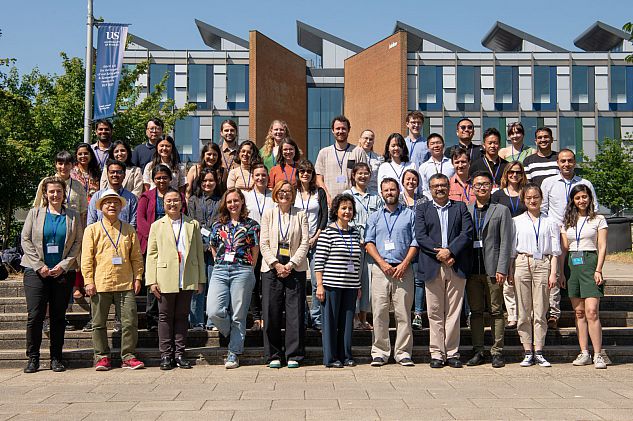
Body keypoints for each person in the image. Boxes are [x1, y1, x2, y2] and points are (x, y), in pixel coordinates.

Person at [21, 177, 83, 373]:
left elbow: (76, 244)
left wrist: (64, 266)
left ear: (64, 193)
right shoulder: (35, 213)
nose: (55, 195)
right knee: (35, 315)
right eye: (51, 192)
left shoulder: (73, 216)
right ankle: (33, 357)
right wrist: (39, 266)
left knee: (58, 316)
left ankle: (56, 357)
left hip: (62, 273)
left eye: (58, 191)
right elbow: (26, 239)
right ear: (45, 194)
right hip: (36, 271)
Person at [81, 190, 145, 371]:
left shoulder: (128, 229)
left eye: (115, 203)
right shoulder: (92, 230)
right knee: (98, 323)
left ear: (120, 207)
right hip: (100, 282)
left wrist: (138, 276)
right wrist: (88, 280)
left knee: (130, 321)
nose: (111, 206)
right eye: (107, 203)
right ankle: (101, 356)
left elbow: (136, 257)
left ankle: (128, 356)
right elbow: (86, 258)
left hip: (125, 282)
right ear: (101, 207)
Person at [415, 173, 473, 368]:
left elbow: (467, 233)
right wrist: (439, 253)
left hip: (455, 264)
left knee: (454, 312)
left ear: (449, 187)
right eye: (435, 186)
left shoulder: (460, 207)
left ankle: (453, 353)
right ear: (430, 189)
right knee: (434, 312)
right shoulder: (422, 209)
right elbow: (421, 236)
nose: (439, 189)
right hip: (433, 265)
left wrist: (450, 251)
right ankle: (437, 354)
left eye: (442, 185)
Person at [146, 187, 206, 370]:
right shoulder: (157, 225)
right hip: (165, 276)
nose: (172, 204)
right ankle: (166, 355)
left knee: (182, 316)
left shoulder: (192, 224)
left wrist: (200, 278)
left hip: (186, 275)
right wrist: (151, 280)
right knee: (164, 316)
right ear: (163, 204)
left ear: (182, 203)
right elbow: (152, 254)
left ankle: (180, 353)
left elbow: (198, 253)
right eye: (168, 201)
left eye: (176, 200)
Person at [541, 148, 599, 329]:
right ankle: (554, 313)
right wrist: (554, 227)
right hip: (556, 232)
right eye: (562, 161)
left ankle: (585, 304)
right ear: (557, 163)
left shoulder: (585, 183)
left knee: (577, 268)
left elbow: (593, 208)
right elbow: (543, 208)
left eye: (570, 161)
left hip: (579, 234)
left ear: (575, 162)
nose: (566, 164)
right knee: (555, 272)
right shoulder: (548, 183)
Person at [365, 178, 418, 366]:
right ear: (381, 193)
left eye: (393, 189)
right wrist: (382, 263)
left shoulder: (410, 215)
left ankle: (403, 352)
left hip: (403, 269)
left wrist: (404, 264)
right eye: (386, 190)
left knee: (403, 313)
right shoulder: (374, 216)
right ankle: (380, 351)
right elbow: (368, 242)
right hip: (381, 269)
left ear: (398, 191)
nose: (390, 193)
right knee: (379, 312)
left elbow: (415, 241)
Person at [207, 188, 260, 369]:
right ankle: (234, 332)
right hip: (220, 269)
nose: (233, 204)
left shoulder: (252, 225)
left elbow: (255, 250)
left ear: (242, 202)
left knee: (239, 313)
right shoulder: (217, 225)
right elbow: (213, 246)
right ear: (225, 204)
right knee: (213, 311)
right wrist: (218, 262)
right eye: (229, 201)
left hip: (242, 270)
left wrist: (249, 269)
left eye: (236, 201)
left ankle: (233, 352)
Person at [259, 180, 310, 368]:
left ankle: (294, 354)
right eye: (281, 190)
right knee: (271, 311)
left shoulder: (300, 214)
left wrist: (290, 264)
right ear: (275, 193)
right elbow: (263, 242)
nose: (285, 194)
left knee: (295, 312)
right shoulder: (268, 214)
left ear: (293, 194)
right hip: (271, 268)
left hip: (294, 268)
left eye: (288, 191)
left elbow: (305, 242)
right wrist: (276, 264)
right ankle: (273, 354)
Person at [509, 184, 560, 367]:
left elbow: (555, 251)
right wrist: (510, 271)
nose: (532, 200)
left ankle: (539, 350)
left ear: (541, 198)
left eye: (536, 197)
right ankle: (527, 350)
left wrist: (553, 273)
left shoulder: (550, 221)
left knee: (540, 310)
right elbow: (512, 250)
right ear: (523, 200)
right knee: (523, 310)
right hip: (522, 262)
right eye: (529, 197)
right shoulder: (516, 221)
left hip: (543, 263)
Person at [466, 171, 513, 368]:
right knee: (475, 312)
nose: (481, 188)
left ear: (491, 186)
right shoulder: (466, 210)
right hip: (471, 269)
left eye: (485, 184)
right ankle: (478, 350)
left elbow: (506, 242)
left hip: (493, 269)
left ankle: (497, 351)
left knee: (496, 310)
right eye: (477, 185)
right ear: (472, 188)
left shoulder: (501, 210)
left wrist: (503, 268)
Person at [560, 185, 608, 369]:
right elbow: (564, 249)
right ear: (573, 200)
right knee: (579, 312)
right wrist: (562, 272)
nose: (582, 201)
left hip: (590, 262)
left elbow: (602, 246)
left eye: (585, 197)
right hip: (573, 263)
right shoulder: (567, 221)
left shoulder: (599, 219)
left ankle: (598, 354)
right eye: (578, 197)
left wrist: (598, 269)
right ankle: (584, 352)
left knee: (592, 311)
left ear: (590, 199)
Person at [137, 165, 188, 332]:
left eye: (164, 177)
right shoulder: (146, 197)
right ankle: (152, 318)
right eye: (158, 177)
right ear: (153, 179)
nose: (161, 180)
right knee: (153, 282)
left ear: (170, 178)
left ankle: (170, 316)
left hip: (174, 243)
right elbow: (141, 220)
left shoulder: (177, 196)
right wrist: (154, 236)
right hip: (153, 243)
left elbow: (184, 216)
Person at [314, 193, 362, 367]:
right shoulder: (328, 233)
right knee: (330, 323)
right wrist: (320, 285)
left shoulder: (355, 233)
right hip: (331, 285)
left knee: (347, 324)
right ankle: (332, 358)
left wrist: (358, 285)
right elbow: (318, 262)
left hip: (350, 285)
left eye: (350, 208)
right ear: (336, 210)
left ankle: (346, 356)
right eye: (343, 208)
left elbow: (357, 261)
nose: (347, 211)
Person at [343, 163, 384, 330]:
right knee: (353, 280)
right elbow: (343, 217)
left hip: (371, 246)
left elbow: (382, 220)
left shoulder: (376, 197)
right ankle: (352, 317)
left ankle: (363, 318)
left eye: (366, 173)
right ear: (353, 175)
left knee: (367, 282)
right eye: (359, 173)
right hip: (353, 244)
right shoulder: (347, 195)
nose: (363, 176)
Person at [492, 161, 528, 329]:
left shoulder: (526, 193)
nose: (515, 175)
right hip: (504, 238)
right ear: (506, 174)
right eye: (511, 172)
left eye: (518, 172)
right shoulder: (498, 195)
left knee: (520, 278)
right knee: (508, 282)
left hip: (523, 238)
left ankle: (524, 314)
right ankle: (512, 315)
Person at [187, 167, 223, 331]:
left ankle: (212, 321)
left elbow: (221, 221)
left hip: (216, 247)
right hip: (197, 246)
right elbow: (193, 223)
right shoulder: (193, 200)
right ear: (200, 183)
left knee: (214, 283)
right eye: (205, 181)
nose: (208, 183)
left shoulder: (220, 200)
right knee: (198, 283)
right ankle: (196, 321)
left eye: (211, 180)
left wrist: (212, 244)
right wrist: (203, 244)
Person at [294, 159, 328, 330]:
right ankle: (304, 316)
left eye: (309, 171)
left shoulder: (319, 192)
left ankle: (316, 317)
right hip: (297, 243)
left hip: (317, 241)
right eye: (302, 172)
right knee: (298, 281)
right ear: (298, 175)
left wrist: (315, 237)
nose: (305, 174)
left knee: (316, 281)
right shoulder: (293, 192)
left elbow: (324, 216)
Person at [243, 162, 274, 331]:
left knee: (268, 283)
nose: (260, 178)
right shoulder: (246, 196)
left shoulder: (274, 196)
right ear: (252, 177)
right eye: (257, 175)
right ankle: (256, 317)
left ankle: (268, 316)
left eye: (263, 175)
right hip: (252, 245)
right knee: (253, 281)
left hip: (271, 244)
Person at [315, 115, 367, 205]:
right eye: (337, 128)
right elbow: (319, 178)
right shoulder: (324, 153)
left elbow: (364, 177)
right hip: (330, 203)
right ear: (332, 130)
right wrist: (327, 196)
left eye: (343, 128)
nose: (340, 131)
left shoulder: (358, 152)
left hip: (353, 203)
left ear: (348, 130)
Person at [399, 168, 427, 331]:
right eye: (408, 179)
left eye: (414, 179)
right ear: (403, 182)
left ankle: (417, 314)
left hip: (419, 247)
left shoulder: (423, 200)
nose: (411, 182)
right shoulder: (398, 199)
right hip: (402, 246)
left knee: (418, 281)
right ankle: (402, 313)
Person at [33, 151, 88, 221]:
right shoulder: (46, 182)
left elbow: (83, 212)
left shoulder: (78, 186)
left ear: (72, 165)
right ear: (55, 164)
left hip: (71, 225)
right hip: (48, 223)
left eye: (67, 164)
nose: (63, 167)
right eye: (60, 164)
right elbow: (37, 207)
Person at [88, 160, 138, 228]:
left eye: (119, 172)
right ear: (107, 174)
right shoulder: (97, 196)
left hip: (124, 236)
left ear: (124, 175)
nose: (115, 175)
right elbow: (91, 222)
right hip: (100, 237)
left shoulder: (131, 198)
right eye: (112, 172)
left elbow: (133, 223)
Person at [419, 133, 454, 199]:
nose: (436, 146)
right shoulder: (423, 167)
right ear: (428, 147)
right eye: (432, 144)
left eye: (438, 143)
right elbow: (424, 189)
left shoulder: (452, 164)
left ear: (443, 145)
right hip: (431, 203)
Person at [358, 129, 383, 195]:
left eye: (371, 139)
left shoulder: (379, 158)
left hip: (374, 192)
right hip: (358, 192)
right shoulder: (352, 155)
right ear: (360, 139)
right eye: (366, 138)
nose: (368, 141)